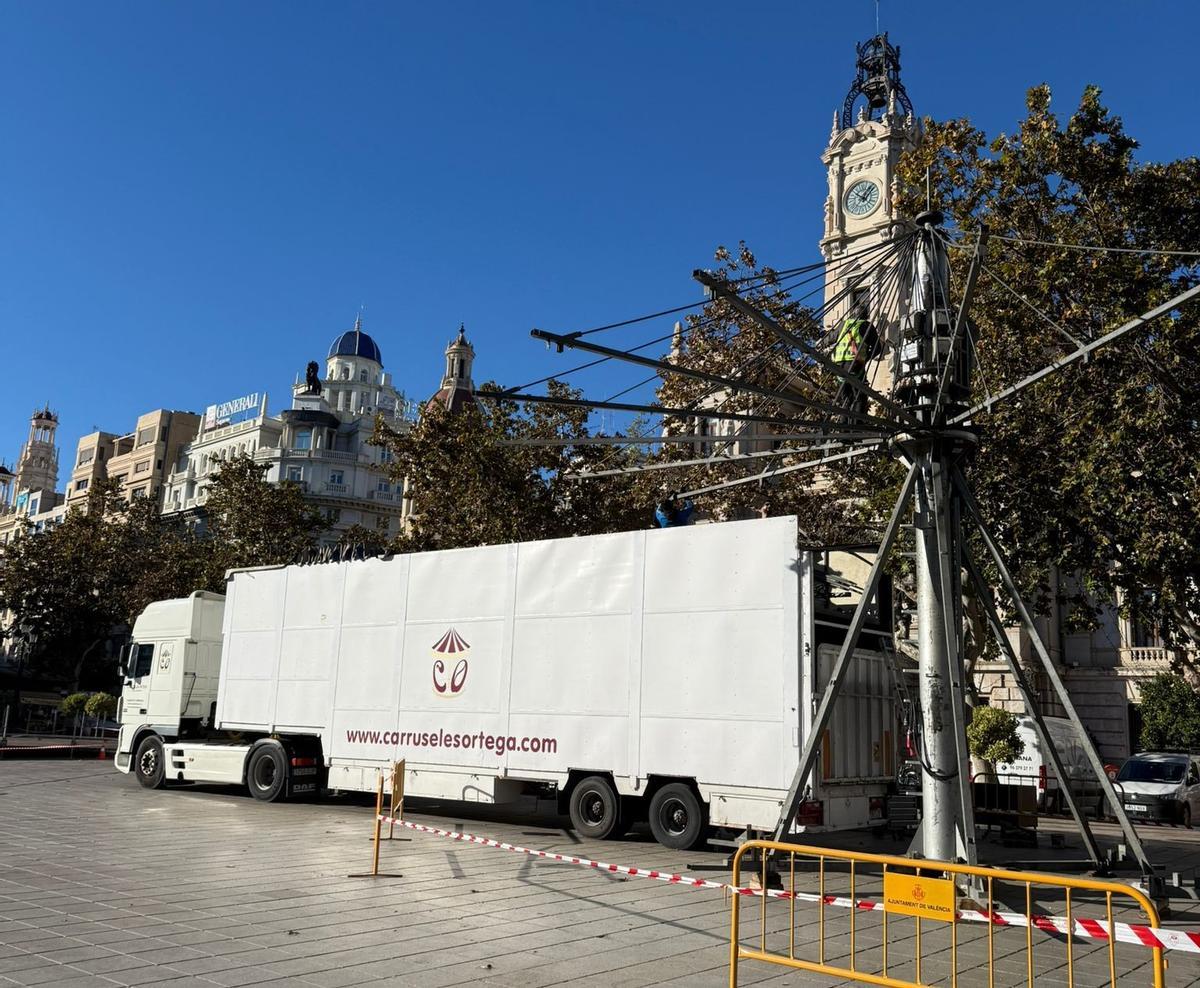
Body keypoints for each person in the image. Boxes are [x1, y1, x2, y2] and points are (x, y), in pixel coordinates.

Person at [832, 300, 878, 418]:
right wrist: (865, 359)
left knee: (846, 398)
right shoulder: (866, 325)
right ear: (865, 315)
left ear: (853, 314)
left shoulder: (843, 324)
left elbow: (830, 338)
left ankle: (843, 428)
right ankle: (857, 425)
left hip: (839, 367)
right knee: (859, 396)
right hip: (855, 365)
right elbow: (877, 347)